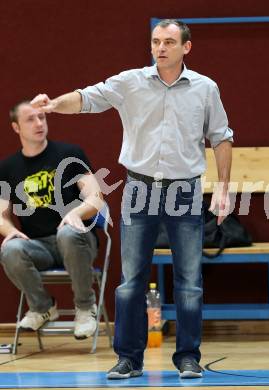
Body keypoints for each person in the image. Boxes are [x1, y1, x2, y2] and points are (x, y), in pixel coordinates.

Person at [31, 19, 233, 378]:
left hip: (184, 190)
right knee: (130, 281)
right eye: (156, 41)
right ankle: (128, 359)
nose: (160, 48)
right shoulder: (130, 82)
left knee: (189, 281)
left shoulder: (205, 89)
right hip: (139, 188)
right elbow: (87, 98)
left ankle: (188, 357)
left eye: (169, 42)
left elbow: (221, 137)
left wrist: (222, 188)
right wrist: (52, 104)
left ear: (186, 47)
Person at [0, 100, 103, 340]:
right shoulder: (7, 168)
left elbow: (96, 198)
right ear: (16, 128)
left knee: (67, 232)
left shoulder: (70, 154)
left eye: (42, 117)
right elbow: (2, 215)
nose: (38, 123)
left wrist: (75, 213)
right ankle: (42, 307)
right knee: (10, 249)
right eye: (30, 119)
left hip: (77, 239)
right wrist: (8, 230)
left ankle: (86, 307)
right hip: (39, 247)